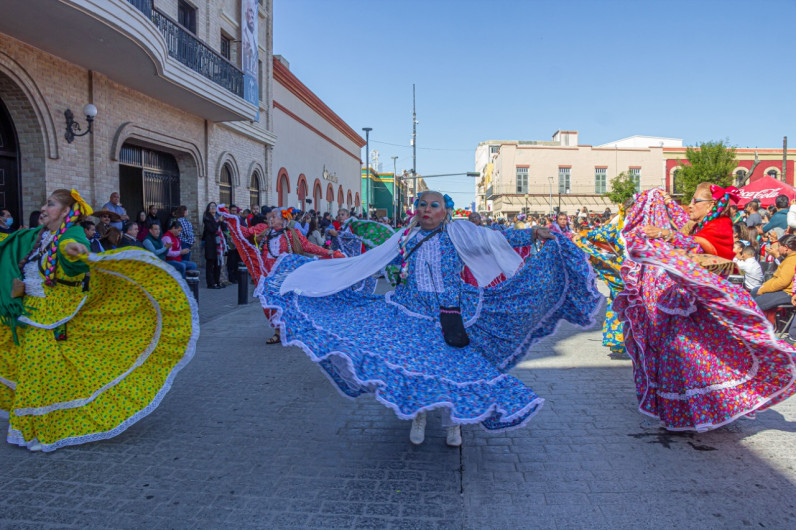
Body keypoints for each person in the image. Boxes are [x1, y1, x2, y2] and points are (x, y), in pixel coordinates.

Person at [251, 191, 601, 447]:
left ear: (445, 211)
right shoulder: (406, 235)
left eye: (433, 205)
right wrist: (327, 275)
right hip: (409, 307)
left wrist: (532, 234)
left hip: (450, 310)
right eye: (421, 204)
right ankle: (418, 414)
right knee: (413, 361)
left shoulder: (458, 231)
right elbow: (372, 259)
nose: (426, 209)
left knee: (455, 365)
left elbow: (493, 238)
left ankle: (455, 423)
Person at [0, 189, 197, 452]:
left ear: (67, 212)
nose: (44, 209)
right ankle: (35, 428)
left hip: (52, 314)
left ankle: (43, 431)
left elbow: (71, 256)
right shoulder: (37, 236)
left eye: (51, 204)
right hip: (30, 312)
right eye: (45, 203)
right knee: (36, 371)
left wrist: (76, 251)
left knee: (38, 371)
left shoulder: (70, 236)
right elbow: (12, 243)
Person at [614, 186, 796, 432]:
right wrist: (666, 202)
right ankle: (687, 413)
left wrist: (666, 234)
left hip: (703, 307)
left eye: (695, 201)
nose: (690, 205)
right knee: (680, 355)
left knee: (692, 356)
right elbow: (683, 222)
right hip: (689, 305)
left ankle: (702, 411)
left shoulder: (719, 225)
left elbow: (701, 246)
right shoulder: (700, 223)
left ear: (710, 205)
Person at [219, 205, 345, 345]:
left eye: (273, 217)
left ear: (283, 220)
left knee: (288, 302)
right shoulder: (263, 230)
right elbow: (245, 232)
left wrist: (327, 252)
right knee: (269, 302)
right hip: (267, 273)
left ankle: (290, 329)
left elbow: (307, 246)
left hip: (286, 273)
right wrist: (230, 220)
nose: (270, 219)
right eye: (269, 217)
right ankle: (278, 330)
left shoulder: (292, 233)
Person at [753, 234, 796, 322]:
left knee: (757, 303)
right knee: (754, 291)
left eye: (779, 246)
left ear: (786, 247)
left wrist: (764, 289)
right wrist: (764, 287)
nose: (777, 249)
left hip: (788, 293)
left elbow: (782, 282)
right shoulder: (789, 259)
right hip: (784, 290)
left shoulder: (792, 260)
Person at [202, 202, 224, 289]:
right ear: (208, 208)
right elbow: (212, 229)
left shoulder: (218, 217)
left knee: (218, 264)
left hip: (218, 243)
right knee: (210, 264)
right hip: (211, 243)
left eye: (214, 206)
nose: (213, 208)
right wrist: (219, 221)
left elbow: (222, 228)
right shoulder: (207, 218)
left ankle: (217, 281)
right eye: (211, 207)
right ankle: (211, 283)